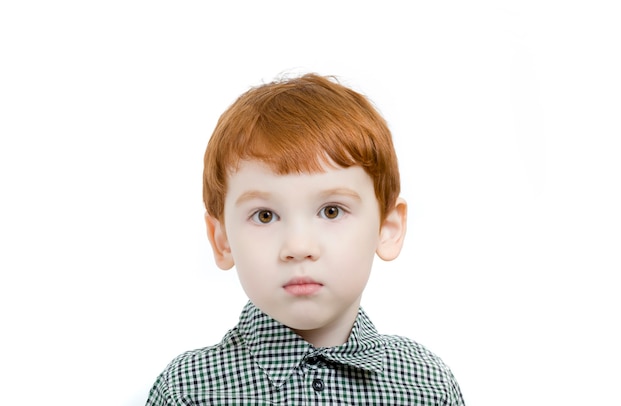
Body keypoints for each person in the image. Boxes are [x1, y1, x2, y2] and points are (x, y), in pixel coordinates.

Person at [146, 73, 465, 405]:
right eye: (265, 215)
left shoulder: (427, 386)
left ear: (388, 229)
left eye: (331, 211)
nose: (298, 247)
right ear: (221, 239)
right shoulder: (188, 392)